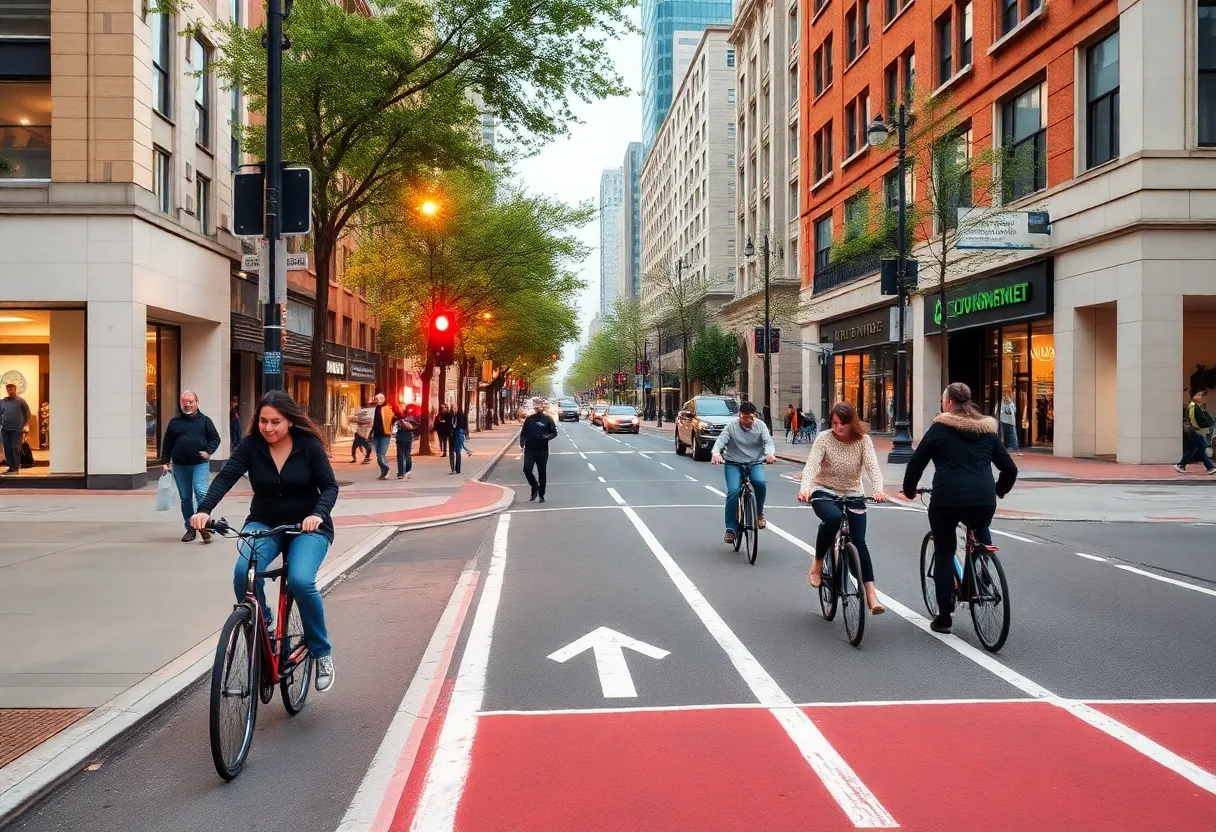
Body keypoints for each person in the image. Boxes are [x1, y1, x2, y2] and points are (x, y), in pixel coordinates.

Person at [191, 391, 339, 693]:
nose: (268, 428)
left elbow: (329, 486)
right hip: (265, 523)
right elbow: (225, 477)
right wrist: (204, 509)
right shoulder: (250, 446)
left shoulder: (308, 445)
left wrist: (318, 514)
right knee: (242, 573)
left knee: (300, 579)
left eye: (275, 422)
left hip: (308, 526)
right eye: (262, 421)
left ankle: (322, 652)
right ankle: (266, 625)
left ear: (290, 421)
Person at [902, 382, 1018, 634]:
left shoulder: (940, 429)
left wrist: (910, 490)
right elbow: (1010, 469)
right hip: (983, 499)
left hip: (947, 499)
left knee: (944, 551)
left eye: (944, 400)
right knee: (980, 525)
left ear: (950, 403)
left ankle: (944, 618)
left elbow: (916, 463)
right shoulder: (988, 430)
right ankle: (984, 575)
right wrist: (998, 490)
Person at [797, 402, 889, 614]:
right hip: (824, 490)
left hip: (853, 492)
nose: (838, 427)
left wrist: (878, 490)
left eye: (843, 424)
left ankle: (871, 594)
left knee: (860, 542)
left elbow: (873, 467)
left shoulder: (863, 440)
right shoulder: (824, 439)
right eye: (835, 423)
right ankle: (819, 562)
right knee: (833, 518)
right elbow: (811, 466)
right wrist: (805, 489)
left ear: (852, 423)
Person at [711, 401, 777, 545]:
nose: (749, 420)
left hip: (754, 462)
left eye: (752, 417)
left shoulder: (760, 426)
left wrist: (770, 454)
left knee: (760, 483)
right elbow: (720, 442)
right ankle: (730, 529)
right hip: (733, 462)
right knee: (733, 490)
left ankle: (759, 514)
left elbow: (768, 442)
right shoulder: (731, 427)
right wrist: (716, 453)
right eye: (746, 417)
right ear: (739, 415)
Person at [162, 391, 222, 543]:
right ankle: (190, 527)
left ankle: (204, 526)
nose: (187, 404)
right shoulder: (175, 422)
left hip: (199, 464)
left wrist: (208, 452)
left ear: (197, 402)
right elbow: (167, 441)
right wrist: (165, 460)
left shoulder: (205, 421)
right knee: (186, 498)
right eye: (184, 402)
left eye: (190, 401)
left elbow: (215, 438)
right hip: (180, 465)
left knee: (201, 493)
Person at [520, 397, 558, 502]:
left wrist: (547, 437)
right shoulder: (529, 419)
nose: (538, 408)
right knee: (527, 469)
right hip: (530, 449)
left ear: (543, 407)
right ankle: (534, 486)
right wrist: (522, 442)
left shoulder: (548, 420)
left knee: (542, 472)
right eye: (536, 406)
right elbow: (523, 432)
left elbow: (554, 432)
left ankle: (541, 495)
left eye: (540, 406)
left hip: (542, 449)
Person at [1174, 388, 1216, 474]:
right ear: (1194, 396)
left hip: (1199, 431)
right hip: (1196, 431)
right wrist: (1199, 427)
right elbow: (1194, 420)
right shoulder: (1193, 406)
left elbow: (1205, 417)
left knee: (1196, 449)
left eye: (1201, 395)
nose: (1201, 397)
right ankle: (1209, 467)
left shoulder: (1199, 406)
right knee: (1200, 449)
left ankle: (1181, 465)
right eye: (1199, 395)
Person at [0, 382, 31, 474]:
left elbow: (28, 413)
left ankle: (16, 467)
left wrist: (26, 424)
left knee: (15, 448)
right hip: (5, 429)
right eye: (9, 389)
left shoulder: (21, 401)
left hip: (17, 429)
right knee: (7, 448)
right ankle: (11, 466)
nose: (11, 391)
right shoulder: (2, 401)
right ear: (7, 390)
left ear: (15, 389)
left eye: (12, 389)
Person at [371, 393, 394, 480]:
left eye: (377, 399)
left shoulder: (387, 408)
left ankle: (387, 468)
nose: (375, 401)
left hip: (385, 435)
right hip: (376, 435)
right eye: (375, 399)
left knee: (381, 455)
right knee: (378, 456)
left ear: (382, 399)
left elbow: (391, 419)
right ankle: (383, 472)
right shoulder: (376, 408)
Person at [395, 406, 417, 480]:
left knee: (405, 455)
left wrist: (401, 421)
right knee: (402, 455)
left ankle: (405, 471)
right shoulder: (398, 417)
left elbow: (411, 426)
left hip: (406, 437)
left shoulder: (408, 417)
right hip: (401, 437)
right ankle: (402, 472)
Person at [446, 406, 470, 474]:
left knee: (458, 452)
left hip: (457, 436)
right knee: (451, 452)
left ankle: (458, 469)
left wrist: (464, 433)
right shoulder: (449, 416)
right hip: (451, 436)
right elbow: (447, 425)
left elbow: (464, 425)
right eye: (453, 408)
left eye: (456, 408)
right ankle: (453, 469)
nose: (455, 409)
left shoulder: (461, 416)